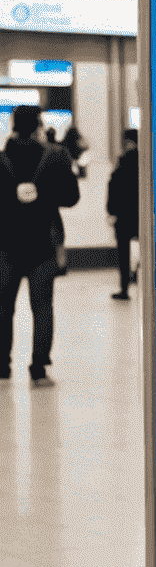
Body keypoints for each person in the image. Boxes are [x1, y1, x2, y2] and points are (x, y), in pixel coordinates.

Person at [0, 105, 80, 385]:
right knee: (43, 308)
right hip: (43, 244)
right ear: (37, 126)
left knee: (3, 307)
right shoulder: (56, 157)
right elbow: (71, 197)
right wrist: (45, 195)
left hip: (5, 245)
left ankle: (2, 366)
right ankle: (38, 368)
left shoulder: (0, 159)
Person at [106, 128, 139, 301]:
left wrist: (111, 211)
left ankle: (124, 288)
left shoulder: (123, 159)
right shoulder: (148, 159)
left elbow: (114, 186)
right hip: (141, 214)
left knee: (123, 253)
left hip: (124, 214)